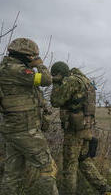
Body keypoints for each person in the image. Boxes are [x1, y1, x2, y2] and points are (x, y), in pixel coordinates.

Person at [0, 38, 58, 195]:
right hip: (25, 130)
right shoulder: (17, 70)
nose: (33, 59)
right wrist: (39, 64)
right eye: (33, 56)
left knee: (12, 173)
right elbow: (46, 80)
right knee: (47, 167)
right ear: (24, 55)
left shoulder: (6, 68)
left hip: (12, 129)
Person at [50, 61, 111, 195]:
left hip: (74, 130)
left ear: (59, 74)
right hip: (86, 128)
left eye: (55, 75)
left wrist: (55, 83)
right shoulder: (85, 81)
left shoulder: (72, 81)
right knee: (83, 160)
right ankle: (105, 190)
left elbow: (55, 101)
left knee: (69, 167)